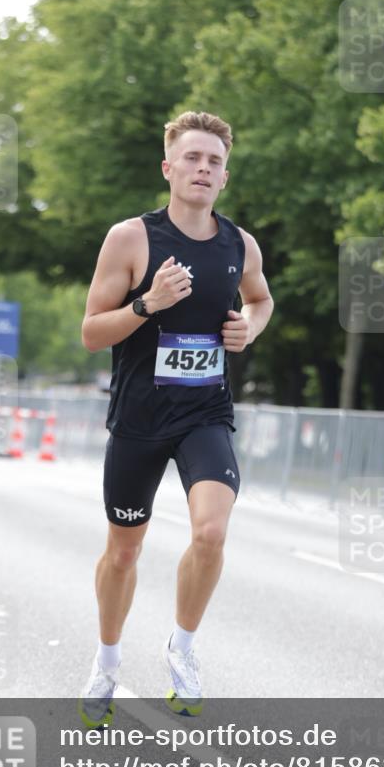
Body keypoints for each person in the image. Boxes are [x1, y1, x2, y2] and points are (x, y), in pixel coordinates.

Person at [79, 110, 274, 726]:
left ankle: (182, 649)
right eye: (192, 157)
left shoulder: (239, 245)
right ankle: (107, 661)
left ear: (225, 177)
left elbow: (261, 298)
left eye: (215, 161)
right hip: (139, 417)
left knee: (211, 533)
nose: (203, 169)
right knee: (123, 553)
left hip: (204, 413)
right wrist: (147, 303)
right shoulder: (131, 239)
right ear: (168, 168)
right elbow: (91, 333)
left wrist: (249, 328)